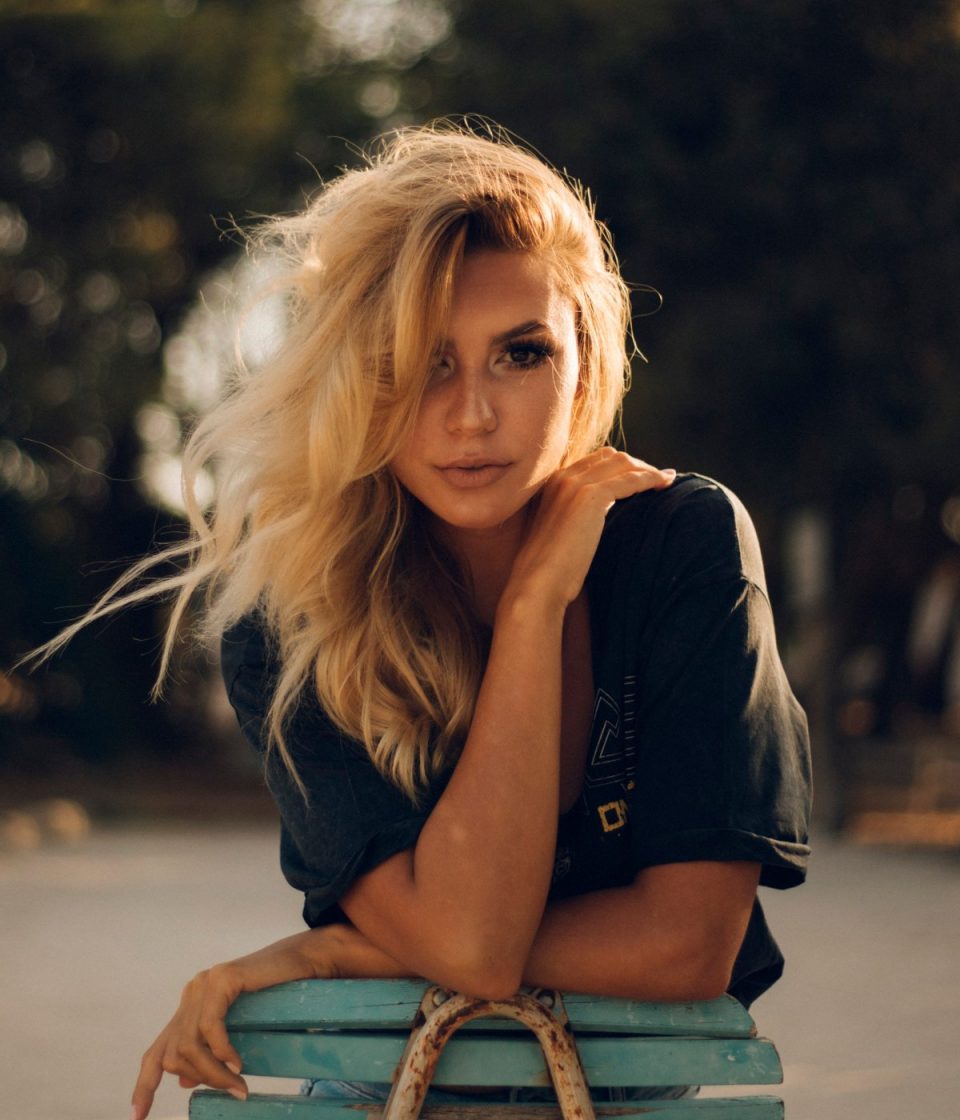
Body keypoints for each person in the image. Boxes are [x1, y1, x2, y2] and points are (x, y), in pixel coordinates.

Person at [32, 121, 812, 1119]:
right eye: (423, 360)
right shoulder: (292, 612)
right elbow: (475, 950)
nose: (471, 414)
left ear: (584, 361)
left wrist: (339, 949)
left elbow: (685, 946)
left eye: (520, 353)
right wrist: (533, 607)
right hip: (381, 1093)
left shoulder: (680, 541)